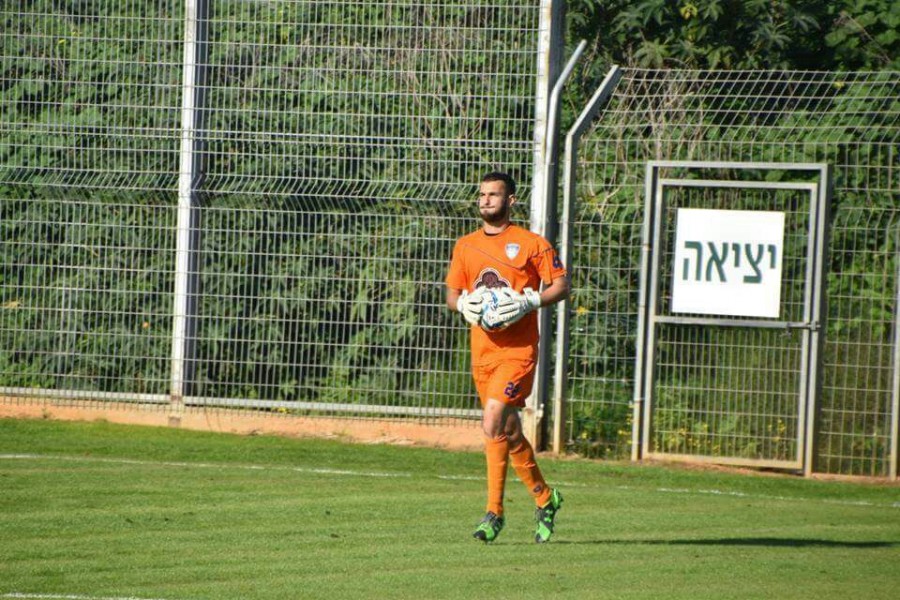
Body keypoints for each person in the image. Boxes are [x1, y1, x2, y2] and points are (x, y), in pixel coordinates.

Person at [445, 172, 570, 543]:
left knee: (493, 419)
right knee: (508, 431)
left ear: (511, 200)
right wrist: (462, 305)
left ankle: (494, 512)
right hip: (482, 351)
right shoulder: (465, 246)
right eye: (482, 194)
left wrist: (531, 300)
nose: (485, 200)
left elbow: (561, 285)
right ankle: (545, 498)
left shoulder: (531, 244)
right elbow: (452, 293)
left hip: (518, 351)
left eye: (494, 194)